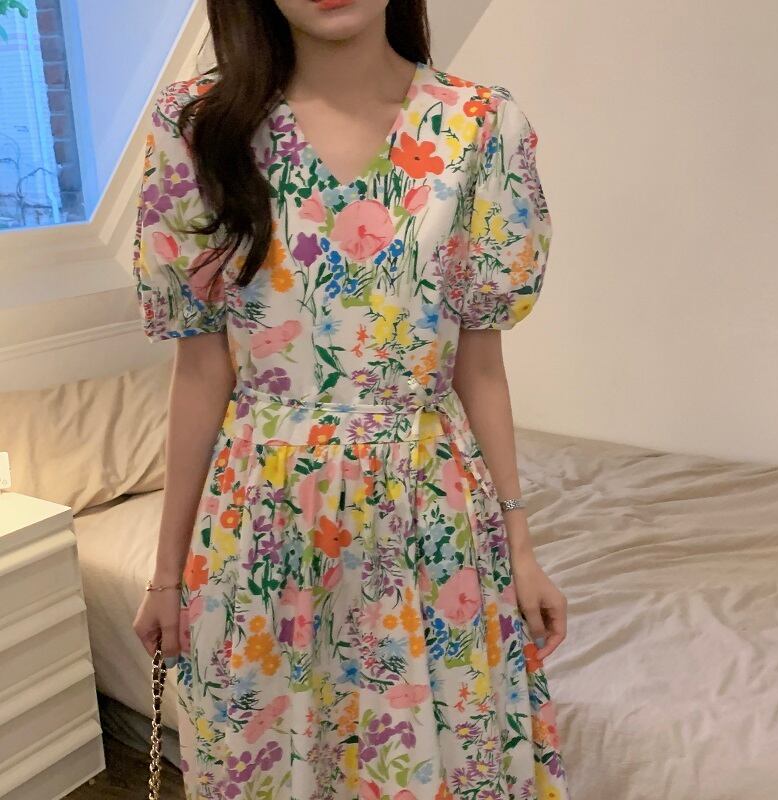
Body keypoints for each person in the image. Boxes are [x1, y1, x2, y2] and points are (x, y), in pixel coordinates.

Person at [131, 1, 570, 797]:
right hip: (260, 527)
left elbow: (479, 368)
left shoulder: (478, 126)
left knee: (429, 762)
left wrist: (522, 548)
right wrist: (167, 575)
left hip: (429, 524)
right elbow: (200, 369)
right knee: (270, 761)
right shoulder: (199, 127)